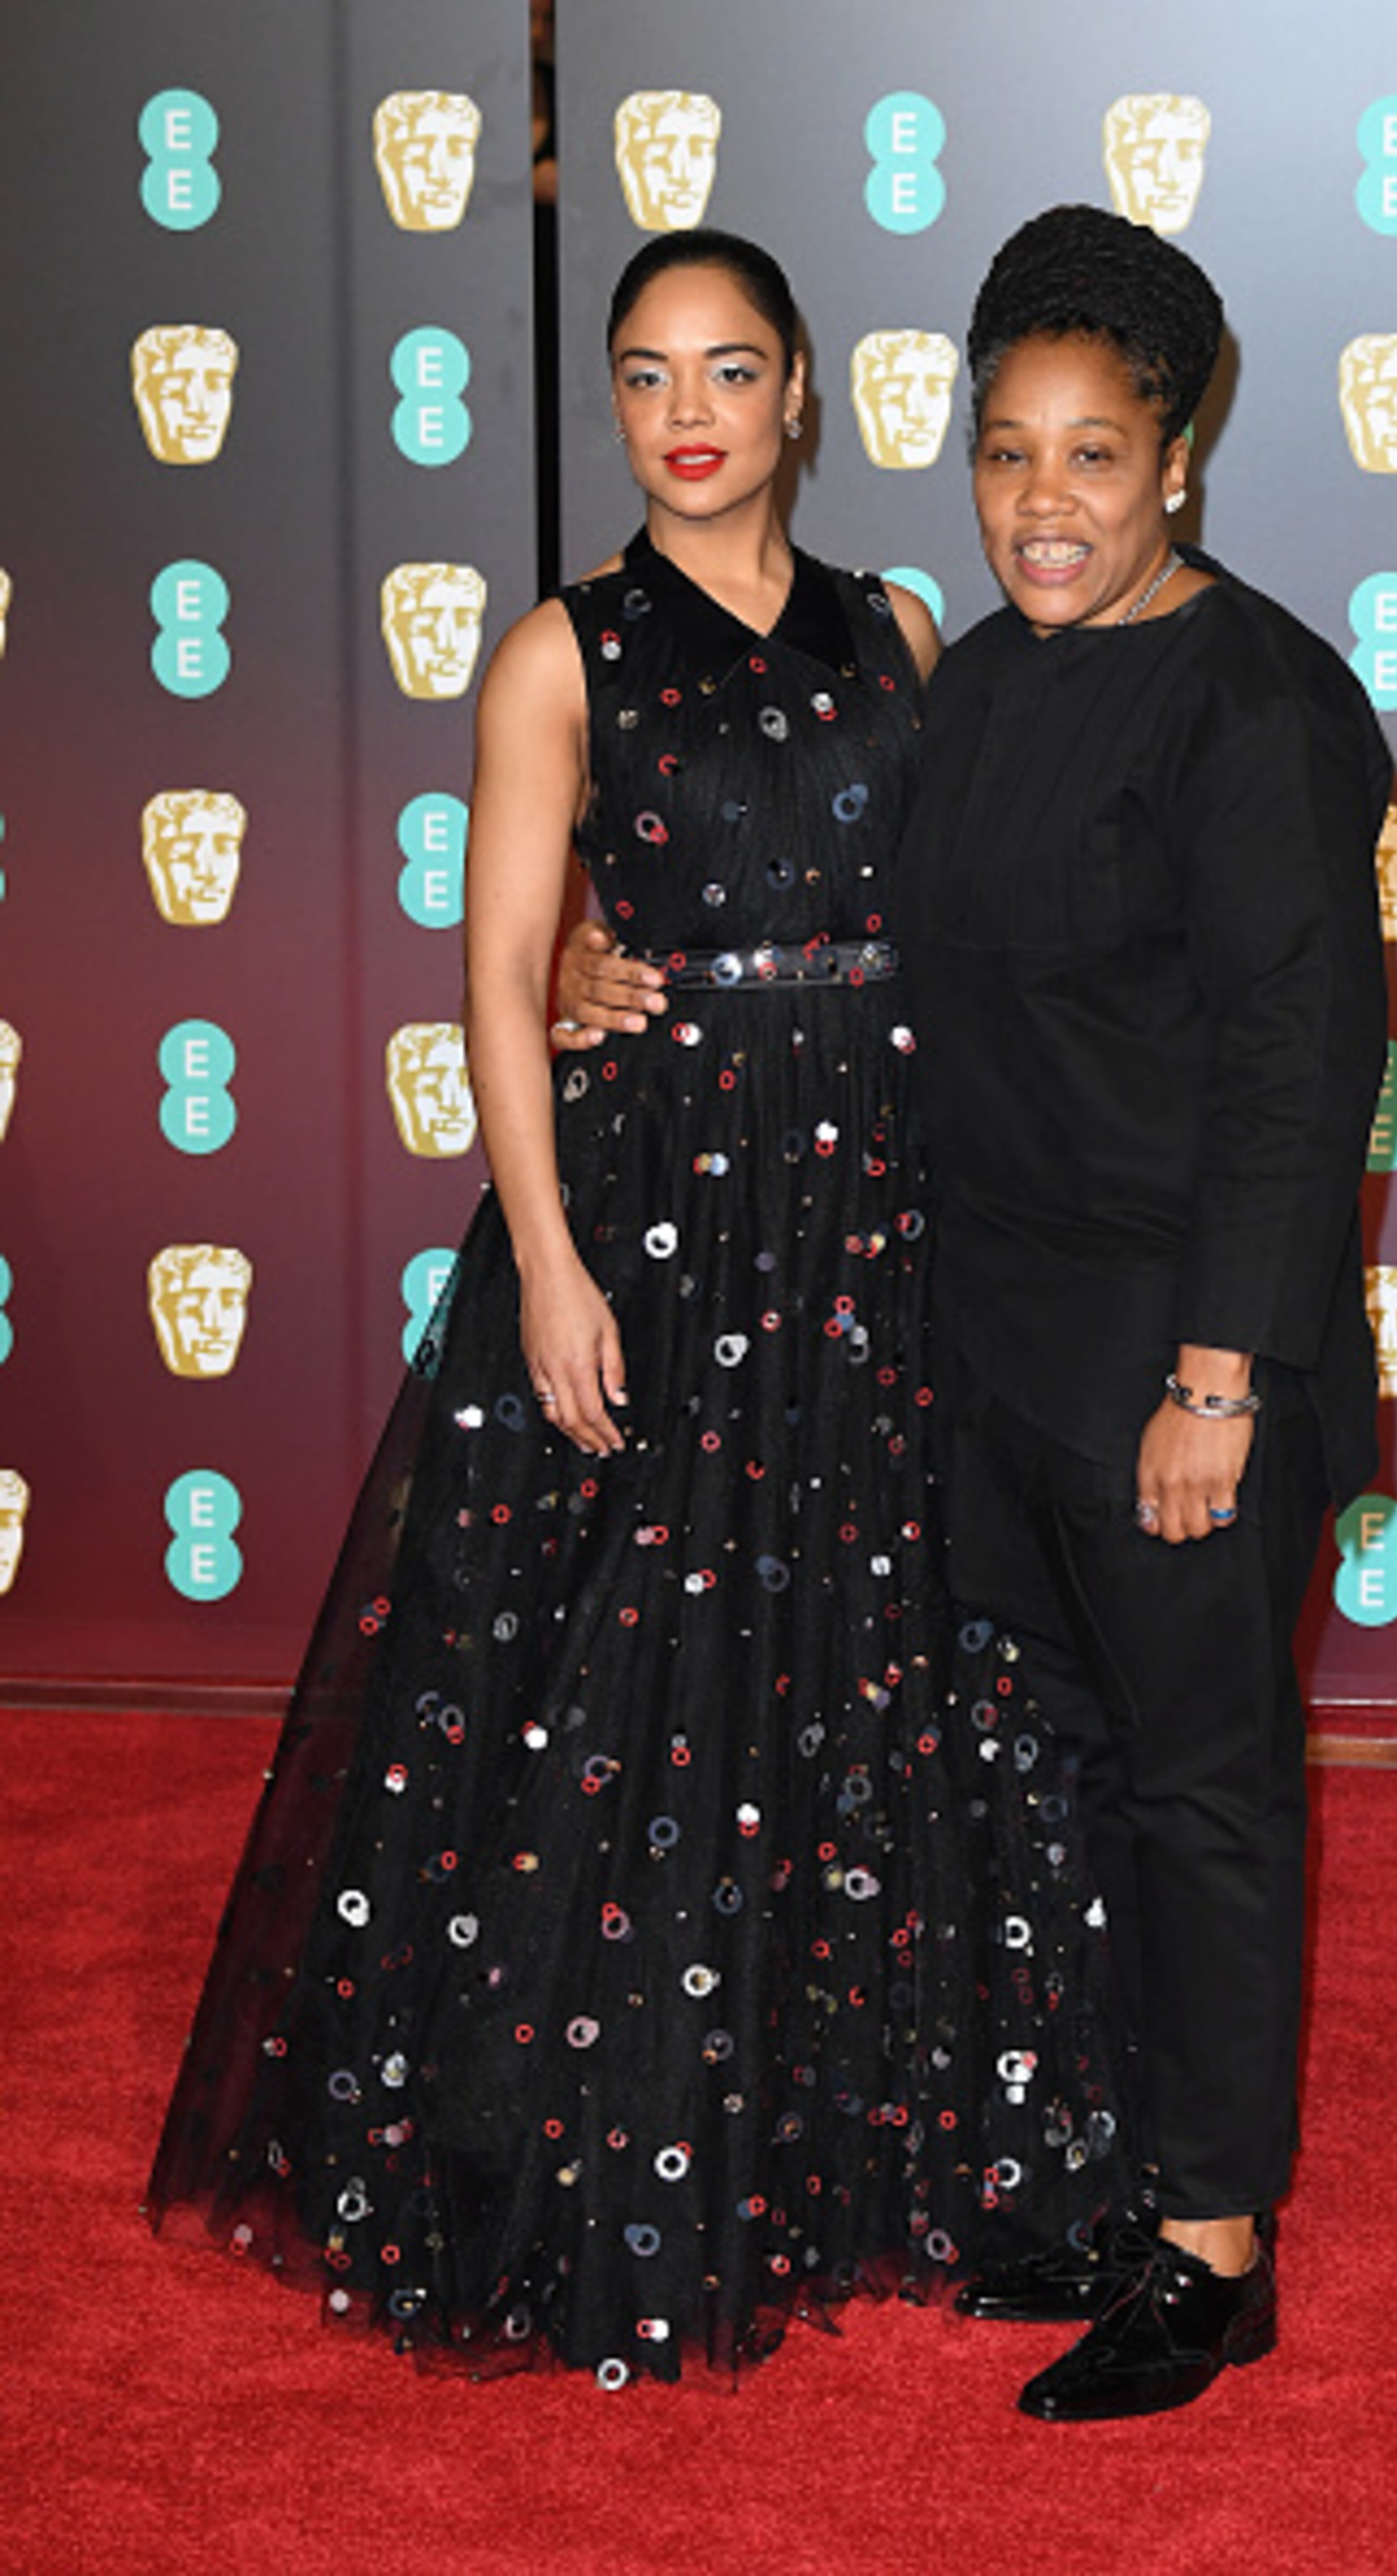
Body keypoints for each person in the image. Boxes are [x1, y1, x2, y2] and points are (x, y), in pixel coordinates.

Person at [147, 229, 1119, 2386]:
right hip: (660, 1217)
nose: (689, 410)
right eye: (648, 373)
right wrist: (553, 1258)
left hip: (884, 1204)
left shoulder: (905, 629)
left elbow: (959, 914)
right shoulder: (554, 656)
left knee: (871, 1651)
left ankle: (870, 2146)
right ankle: (599, 2147)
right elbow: (502, 970)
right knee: (642, 1678)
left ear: (800, 402)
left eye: (732, 370)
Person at [559, 205, 1392, 2422]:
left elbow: (1300, 1058)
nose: (1044, 500)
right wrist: (583, 956)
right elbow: (824, 911)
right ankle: (1136, 2182)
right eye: (1008, 451)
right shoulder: (992, 672)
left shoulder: (1262, 696)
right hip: (995, 1338)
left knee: (1205, 1789)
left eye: (1094, 457)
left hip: (1180, 1360)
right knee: (1087, 1781)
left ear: (1178, 465)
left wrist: (1223, 1374)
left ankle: (1217, 2250)